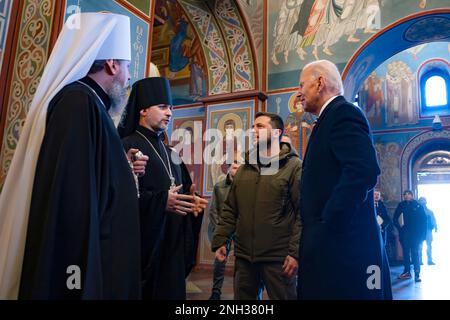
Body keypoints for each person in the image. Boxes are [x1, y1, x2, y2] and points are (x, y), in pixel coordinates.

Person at [0, 13, 149, 299]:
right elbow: (73, 199)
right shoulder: (78, 103)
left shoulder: (91, 104)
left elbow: (93, 176)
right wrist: (77, 280)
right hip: (85, 265)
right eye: (127, 66)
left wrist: (123, 168)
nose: (129, 77)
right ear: (112, 64)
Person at [296, 60, 392, 300]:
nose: (298, 93)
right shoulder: (328, 118)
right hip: (334, 244)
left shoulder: (343, 113)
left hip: (343, 247)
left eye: (301, 85)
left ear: (320, 83)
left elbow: (363, 170)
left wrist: (329, 223)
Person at [119, 77, 208, 300]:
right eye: (162, 107)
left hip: (172, 250)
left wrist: (193, 204)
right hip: (144, 253)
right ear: (142, 110)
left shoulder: (172, 154)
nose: (169, 113)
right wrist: (160, 202)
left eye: (171, 108)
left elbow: (185, 192)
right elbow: (117, 200)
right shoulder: (126, 145)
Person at [212, 112, 302, 300]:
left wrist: (295, 253)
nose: (254, 130)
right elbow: (230, 208)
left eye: (260, 126)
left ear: (277, 133)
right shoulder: (245, 167)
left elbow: (303, 212)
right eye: (253, 126)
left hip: (278, 259)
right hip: (245, 258)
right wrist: (221, 240)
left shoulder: (293, 167)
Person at [208, 161, 241, 300]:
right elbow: (213, 211)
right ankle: (216, 291)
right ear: (228, 169)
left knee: (241, 263)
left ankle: (239, 294)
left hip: (239, 229)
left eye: (239, 168)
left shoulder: (244, 187)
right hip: (223, 227)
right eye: (234, 167)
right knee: (220, 261)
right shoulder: (219, 187)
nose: (237, 170)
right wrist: (219, 231)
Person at [393, 190, 427, 282]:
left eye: (408, 194)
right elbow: (395, 218)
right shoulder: (401, 205)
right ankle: (407, 272)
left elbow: (424, 221)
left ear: (412, 195)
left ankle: (417, 274)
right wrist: (400, 228)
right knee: (406, 254)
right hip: (404, 234)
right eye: (405, 194)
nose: (406, 196)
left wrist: (423, 235)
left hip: (416, 235)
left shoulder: (418, 205)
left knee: (415, 253)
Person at [418, 197, 437, 265]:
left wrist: (435, 227)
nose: (423, 204)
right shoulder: (417, 211)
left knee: (429, 246)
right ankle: (419, 261)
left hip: (428, 230)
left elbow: (433, 219)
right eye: (421, 202)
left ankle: (429, 260)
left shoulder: (430, 211)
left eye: (424, 202)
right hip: (420, 231)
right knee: (420, 246)